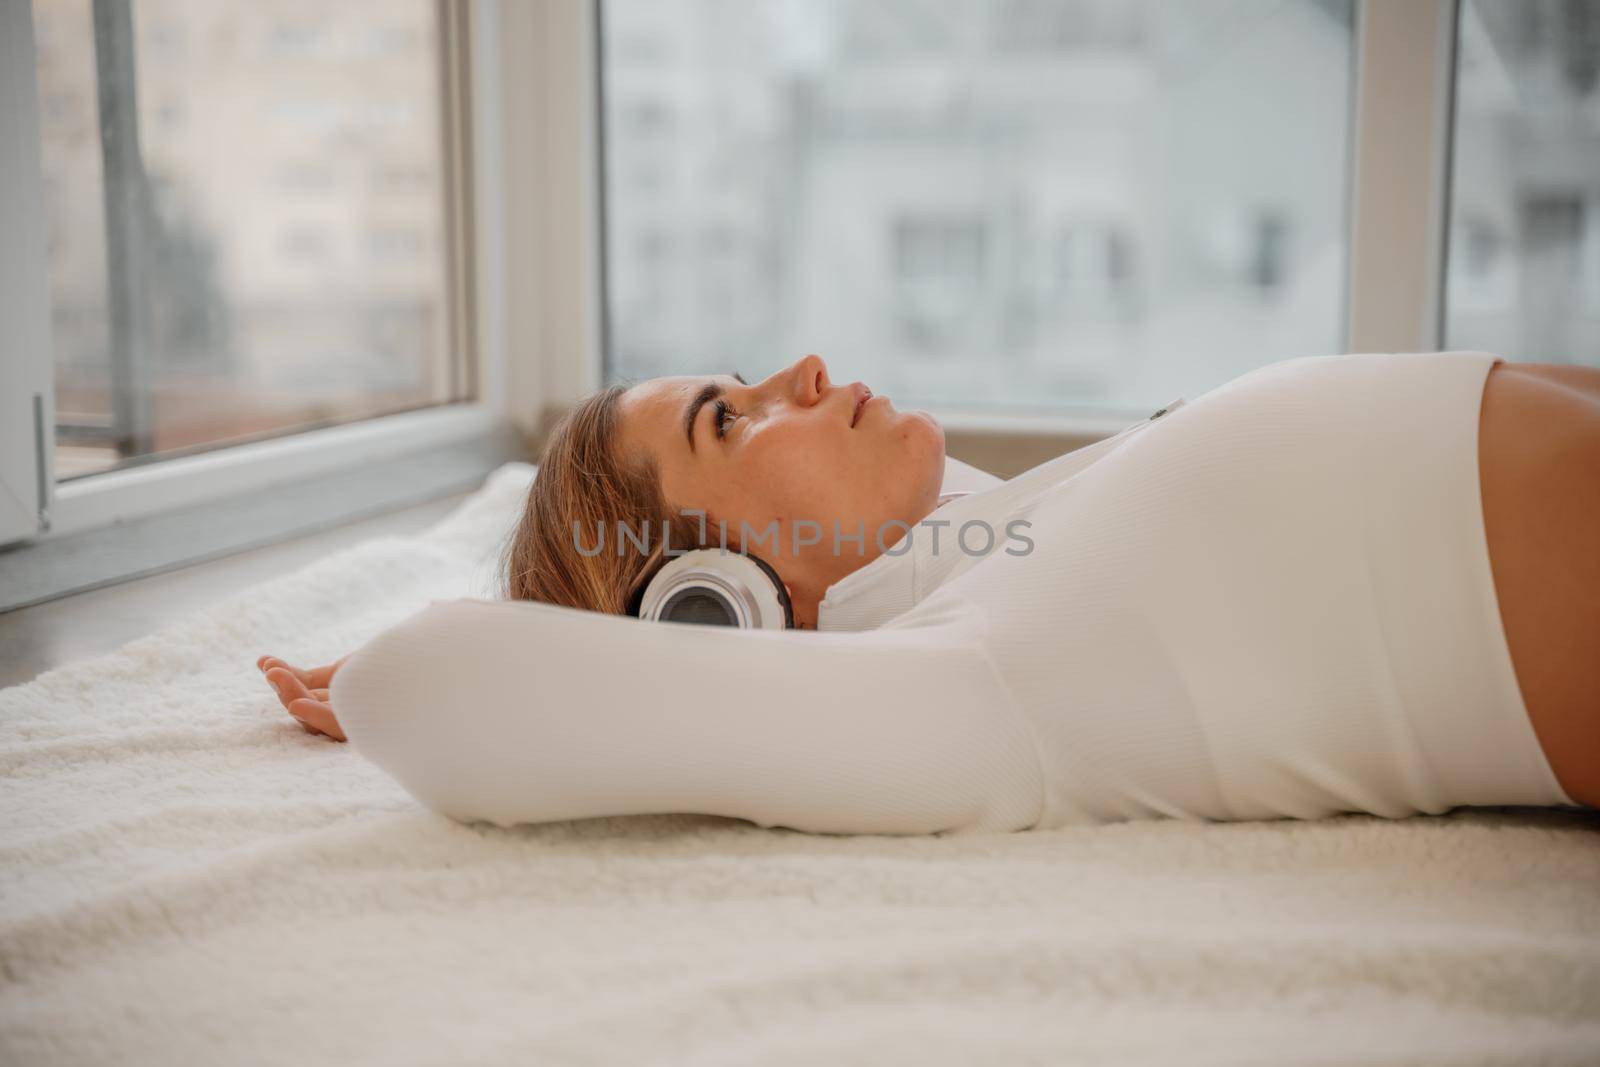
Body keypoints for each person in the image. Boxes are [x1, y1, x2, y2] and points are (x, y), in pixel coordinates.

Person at [258, 353, 1599, 835]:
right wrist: (370, 690)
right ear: (709, 605)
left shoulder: (989, 547)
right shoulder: (972, 684)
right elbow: (440, 684)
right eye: (731, 419)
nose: (805, 361)